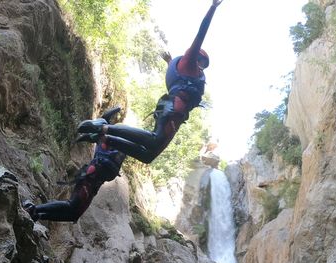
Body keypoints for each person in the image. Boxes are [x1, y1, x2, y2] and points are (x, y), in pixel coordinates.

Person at [75, 0, 224, 163]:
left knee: (148, 156)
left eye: (204, 65)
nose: (202, 67)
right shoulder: (190, 62)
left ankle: (103, 137)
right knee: (154, 140)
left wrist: (169, 62)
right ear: (197, 57)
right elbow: (200, 35)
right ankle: (102, 127)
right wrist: (213, 8)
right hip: (172, 109)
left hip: (178, 116)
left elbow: (180, 80)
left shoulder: (190, 71)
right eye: (202, 62)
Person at [24, 108, 126, 223]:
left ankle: (38, 215)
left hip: (95, 183)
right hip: (91, 176)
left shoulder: (124, 146)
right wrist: (115, 110)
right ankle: (32, 208)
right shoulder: (106, 136)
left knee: (74, 215)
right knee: (72, 205)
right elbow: (104, 118)